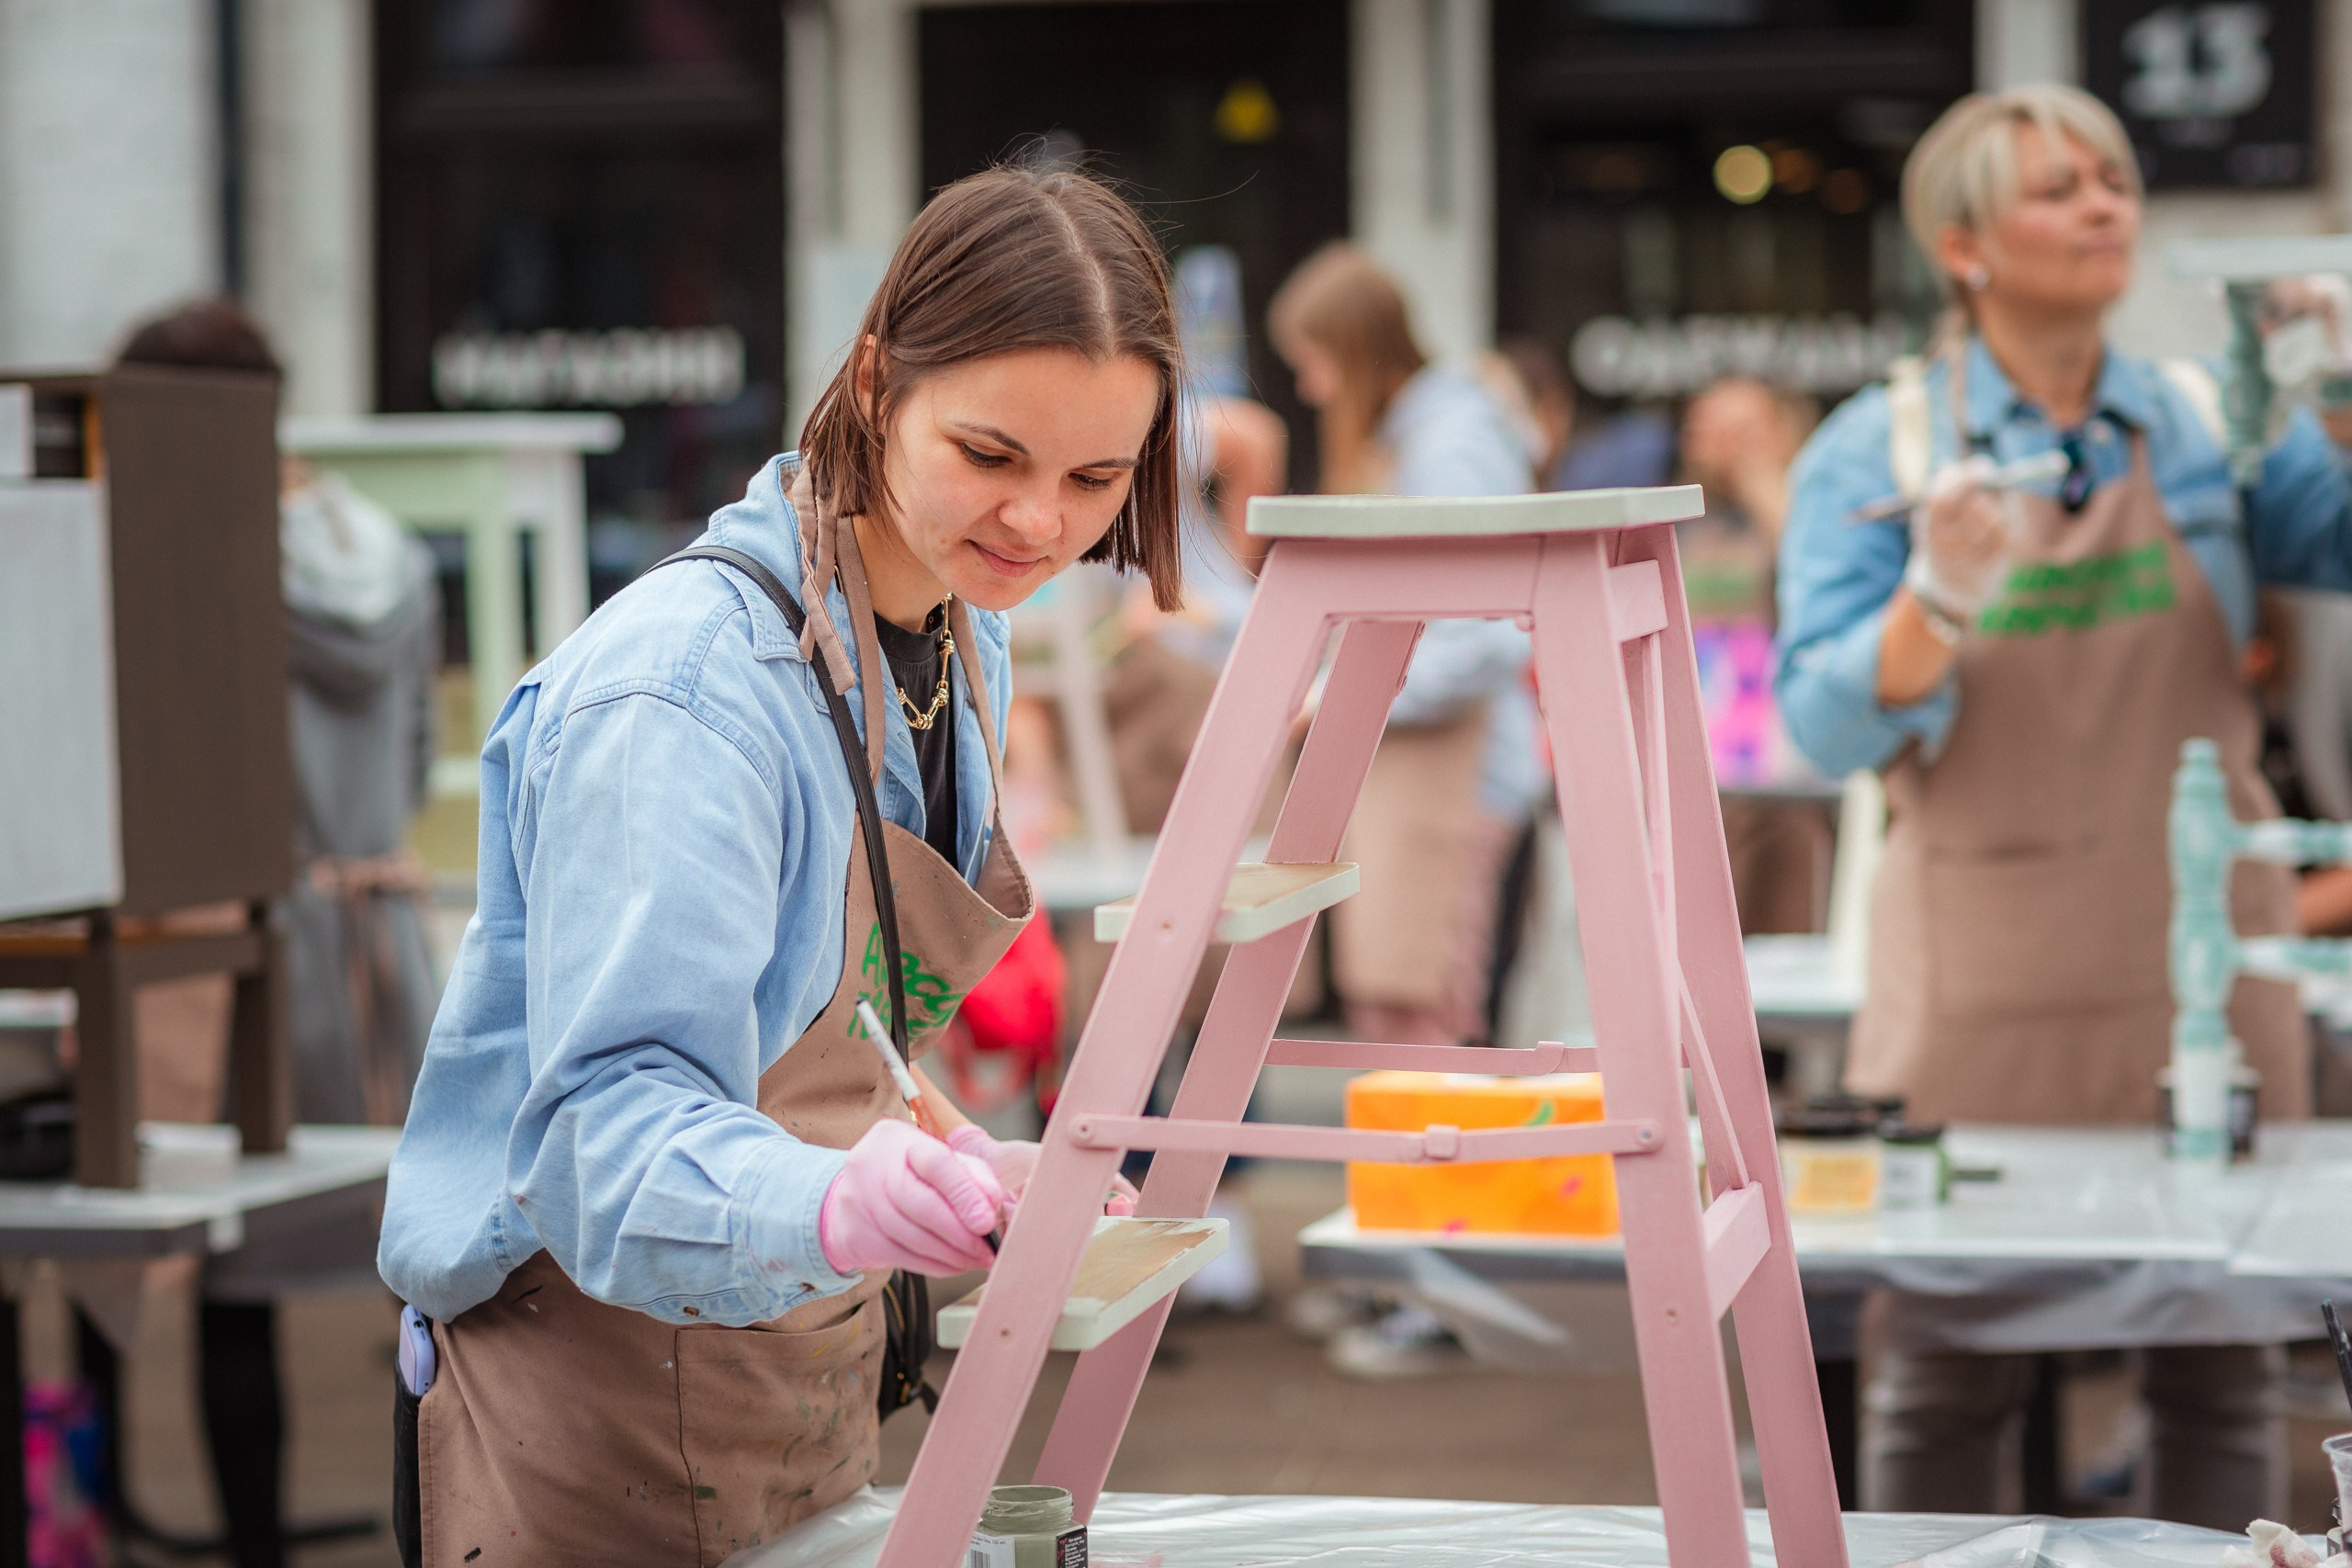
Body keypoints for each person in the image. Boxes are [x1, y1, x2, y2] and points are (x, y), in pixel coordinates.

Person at [376, 165, 1171, 1563]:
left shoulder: (960, 630)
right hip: (592, 1397)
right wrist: (836, 1197)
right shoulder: (680, 696)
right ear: (876, 383)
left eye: (1095, 479)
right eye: (991, 455)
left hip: (795, 1371)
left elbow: (823, 1010)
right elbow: (602, 1140)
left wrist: (951, 1152)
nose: (1041, 522)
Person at [1774, 85, 2352, 1525]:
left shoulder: (2208, 418)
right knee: (1945, 1366)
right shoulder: (1878, 450)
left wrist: (2335, 394)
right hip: (1981, 977)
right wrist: (1933, 599)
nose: (2105, 204)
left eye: (2113, 176)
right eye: (2057, 187)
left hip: (2203, 966)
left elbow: (2335, 543)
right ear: (1964, 247)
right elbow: (1823, 721)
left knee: (2216, 1355)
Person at [105, 299, 443, 1568]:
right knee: (429, 1277)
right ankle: (441, 1533)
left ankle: (243, 1545)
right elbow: (407, 749)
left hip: (230, 954)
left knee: (223, 1279)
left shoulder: (183, 556)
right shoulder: (389, 548)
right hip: (384, 936)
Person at [1268, 243, 1544, 1377]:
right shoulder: (1446, 425)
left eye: (1318, 366)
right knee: (1407, 1026)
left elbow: (1478, 629)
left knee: (1425, 1030)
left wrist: (1342, 690)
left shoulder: (1450, 434)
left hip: (1455, 781)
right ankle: (1410, 1281)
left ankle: (1440, 1294)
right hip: (1439, 776)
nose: (1314, 393)